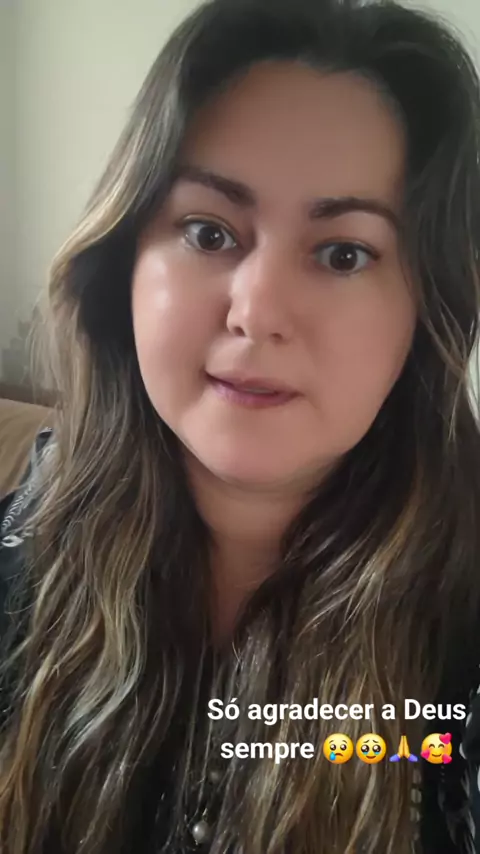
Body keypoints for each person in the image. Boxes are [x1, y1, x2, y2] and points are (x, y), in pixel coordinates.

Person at [1, 0, 480, 851]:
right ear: (124, 262)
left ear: (424, 307)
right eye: (209, 231)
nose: (256, 312)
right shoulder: (34, 529)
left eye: (343, 253)